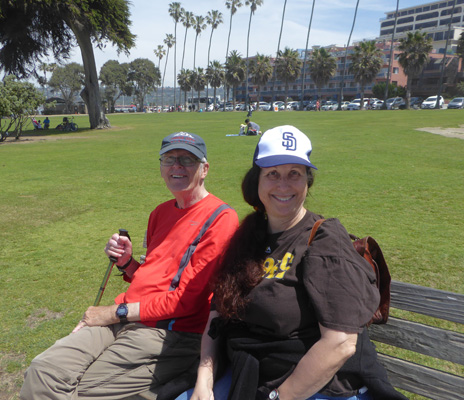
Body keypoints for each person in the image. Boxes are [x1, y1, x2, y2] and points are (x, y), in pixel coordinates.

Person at [180, 125, 407, 400]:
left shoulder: (324, 240)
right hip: (250, 374)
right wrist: (204, 383)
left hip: (314, 388)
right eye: (272, 174)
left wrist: (277, 397)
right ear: (257, 182)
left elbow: (340, 344)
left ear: (307, 182)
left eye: (294, 174)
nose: (283, 185)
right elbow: (217, 314)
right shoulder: (249, 236)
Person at [20, 132, 239, 400]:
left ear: (204, 169)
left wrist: (114, 312)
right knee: (43, 370)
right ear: (161, 167)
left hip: (168, 333)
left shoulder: (221, 218)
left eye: (187, 160)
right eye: (169, 159)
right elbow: (157, 277)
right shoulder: (160, 212)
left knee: (80, 392)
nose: (177, 166)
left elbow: (186, 301)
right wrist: (128, 264)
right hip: (124, 319)